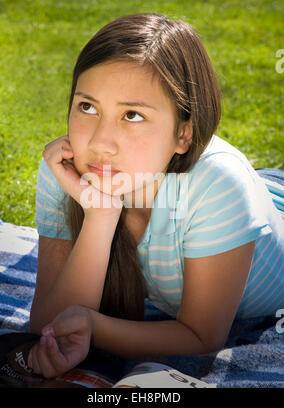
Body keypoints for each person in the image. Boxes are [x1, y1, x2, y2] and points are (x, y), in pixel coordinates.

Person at [28, 13, 284, 378]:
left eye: (132, 115)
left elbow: (201, 336)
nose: (99, 143)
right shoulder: (68, 169)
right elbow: (48, 326)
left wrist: (94, 326)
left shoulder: (217, 185)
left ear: (184, 133)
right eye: (88, 107)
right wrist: (100, 216)